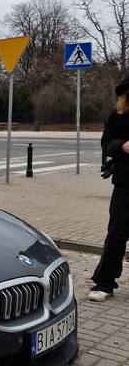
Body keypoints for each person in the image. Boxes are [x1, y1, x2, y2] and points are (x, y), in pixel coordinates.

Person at [89, 74, 129, 302]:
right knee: (116, 234)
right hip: (125, 183)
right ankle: (104, 283)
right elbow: (106, 144)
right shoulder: (117, 116)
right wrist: (122, 146)